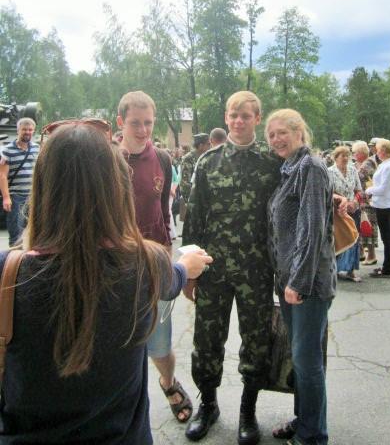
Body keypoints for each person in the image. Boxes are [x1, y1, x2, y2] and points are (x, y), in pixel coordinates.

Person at [0, 121, 212, 444]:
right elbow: (176, 277)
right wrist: (189, 262)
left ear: (42, 187)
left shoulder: (7, 273)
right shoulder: (145, 263)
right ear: (115, 187)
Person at [182, 91, 281, 444]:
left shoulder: (272, 162)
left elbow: (290, 208)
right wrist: (187, 272)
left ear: (258, 118)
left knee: (255, 342)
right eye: (233, 115)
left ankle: (247, 410)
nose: (239, 121)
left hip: (256, 269)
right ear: (226, 118)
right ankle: (208, 405)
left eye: (246, 115)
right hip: (213, 268)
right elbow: (193, 218)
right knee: (207, 341)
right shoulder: (207, 163)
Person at [116, 91, 192, 423]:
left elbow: (163, 213)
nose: (143, 130)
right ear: (120, 122)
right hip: (117, 267)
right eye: (135, 123)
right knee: (119, 344)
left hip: (157, 263)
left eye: (148, 123)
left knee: (160, 345)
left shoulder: (162, 158)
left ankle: (168, 381)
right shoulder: (106, 160)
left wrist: (167, 253)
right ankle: (125, 406)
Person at [266, 109, 335, 445]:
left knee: (307, 364)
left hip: (307, 285)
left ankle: (313, 436)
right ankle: (304, 419)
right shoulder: (289, 168)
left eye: (282, 132)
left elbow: (313, 229)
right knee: (301, 358)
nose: (277, 139)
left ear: (299, 131)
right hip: (290, 281)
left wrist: (298, 282)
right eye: (272, 135)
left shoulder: (310, 167)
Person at [0, 117, 40, 246]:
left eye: (30, 130)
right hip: (15, 196)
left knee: (34, 228)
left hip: (33, 195)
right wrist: (6, 198)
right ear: (18, 130)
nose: (27, 132)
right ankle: (15, 258)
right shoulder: (7, 150)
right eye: (24, 129)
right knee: (16, 231)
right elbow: (2, 176)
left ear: (33, 131)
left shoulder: (36, 148)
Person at [329, 146, 362, 282]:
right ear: (335, 157)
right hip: (337, 211)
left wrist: (354, 201)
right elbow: (327, 192)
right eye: (343, 156)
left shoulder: (353, 170)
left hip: (353, 209)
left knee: (354, 238)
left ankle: (351, 270)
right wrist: (342, 201)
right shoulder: (329, 172)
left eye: (347, 155)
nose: (346, 158)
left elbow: (359, 190)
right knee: (338, 239)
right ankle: (334, 270)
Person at [366, 139, 390, 278]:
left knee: (387, 237)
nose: (377, 153)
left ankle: (387, 267)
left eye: (378, 150)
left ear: (384, 151)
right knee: (387, 237)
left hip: (385, 204)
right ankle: (387, 266)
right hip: (382, 203)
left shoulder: (388, 166)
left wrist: (369, 190)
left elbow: (384, 188)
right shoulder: (386, 164)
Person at [352, 141, 378, 265]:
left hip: (368, 201)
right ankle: (362, 253)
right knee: (362, 227)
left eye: (355, 152)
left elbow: (358, 176)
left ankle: (371, 255)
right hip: (363, 199)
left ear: (361, 153)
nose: (353, 155)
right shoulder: (361, 163)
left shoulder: (368, 164)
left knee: (368, 227)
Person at [180, 133, 211, 203]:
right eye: (208, 144)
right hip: (194, 200)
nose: (210, 146)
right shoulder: (188, 159)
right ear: (201, 146)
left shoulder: (208, 157)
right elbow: (185, 184)